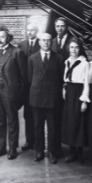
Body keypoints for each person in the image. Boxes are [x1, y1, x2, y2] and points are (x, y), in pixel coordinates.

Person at [0, 27, 25, 159]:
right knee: (0, 121)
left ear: (8, 38)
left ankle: (13, 148)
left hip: (10, 93)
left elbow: (23, 77)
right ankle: (1, 147)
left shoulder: (17, 52)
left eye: (2, 37)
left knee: (12, 121)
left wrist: (19, 95)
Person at [27, 31, 64, 162]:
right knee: (37, 126)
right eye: (43, 40)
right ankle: (39, 151)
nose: (46, 42)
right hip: (37, 97)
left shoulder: (58, 58)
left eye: (48, 40)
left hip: (53, 99)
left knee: (53, 126)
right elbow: (29, 78)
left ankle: (52, 152)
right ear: (39, 42)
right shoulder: (32, 58)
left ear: (51, 42)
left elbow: (60, 79)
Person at [60, 37, 90, 162]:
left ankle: (80, 151)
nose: (74, 50)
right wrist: (64, 90)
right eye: (72, 47)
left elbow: (87, 83)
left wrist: (84, 100)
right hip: (69, 93)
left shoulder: (84, 63)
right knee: (70, 122)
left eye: (76, 47)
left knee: (79, 122)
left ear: (80, 49)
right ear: (68, 48)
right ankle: (72, 151)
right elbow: (65, 80)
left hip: (79, 92)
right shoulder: (66, 62)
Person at [20, 20, 42, 150]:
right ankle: (29, 141)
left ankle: (39, 142)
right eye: (28, 30)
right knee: (27, 115)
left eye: (32, 30)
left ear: (37, 31)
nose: (30, 32)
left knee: (38, 115)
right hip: (25, 87)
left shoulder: (42, 44)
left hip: (38, 86)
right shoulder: (21, 45)